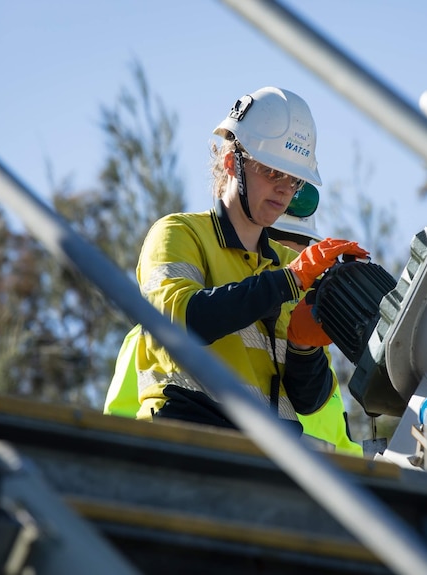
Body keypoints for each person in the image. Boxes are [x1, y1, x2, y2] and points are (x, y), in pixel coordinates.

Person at [129, 86, 368, 433]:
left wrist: (304, 347)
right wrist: (287, 281)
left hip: (272, 454)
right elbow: (178, 322)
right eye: (273, 172)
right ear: (232, 163)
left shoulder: (291, 267)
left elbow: (309, 401)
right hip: (190, 433)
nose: (285, 189)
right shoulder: (179, 234)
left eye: (295, 180)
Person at [267, 207, 365, 457]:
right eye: (284, 256)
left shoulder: (317, 351)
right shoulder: (247, 336)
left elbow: (343, 446)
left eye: (303, 257)